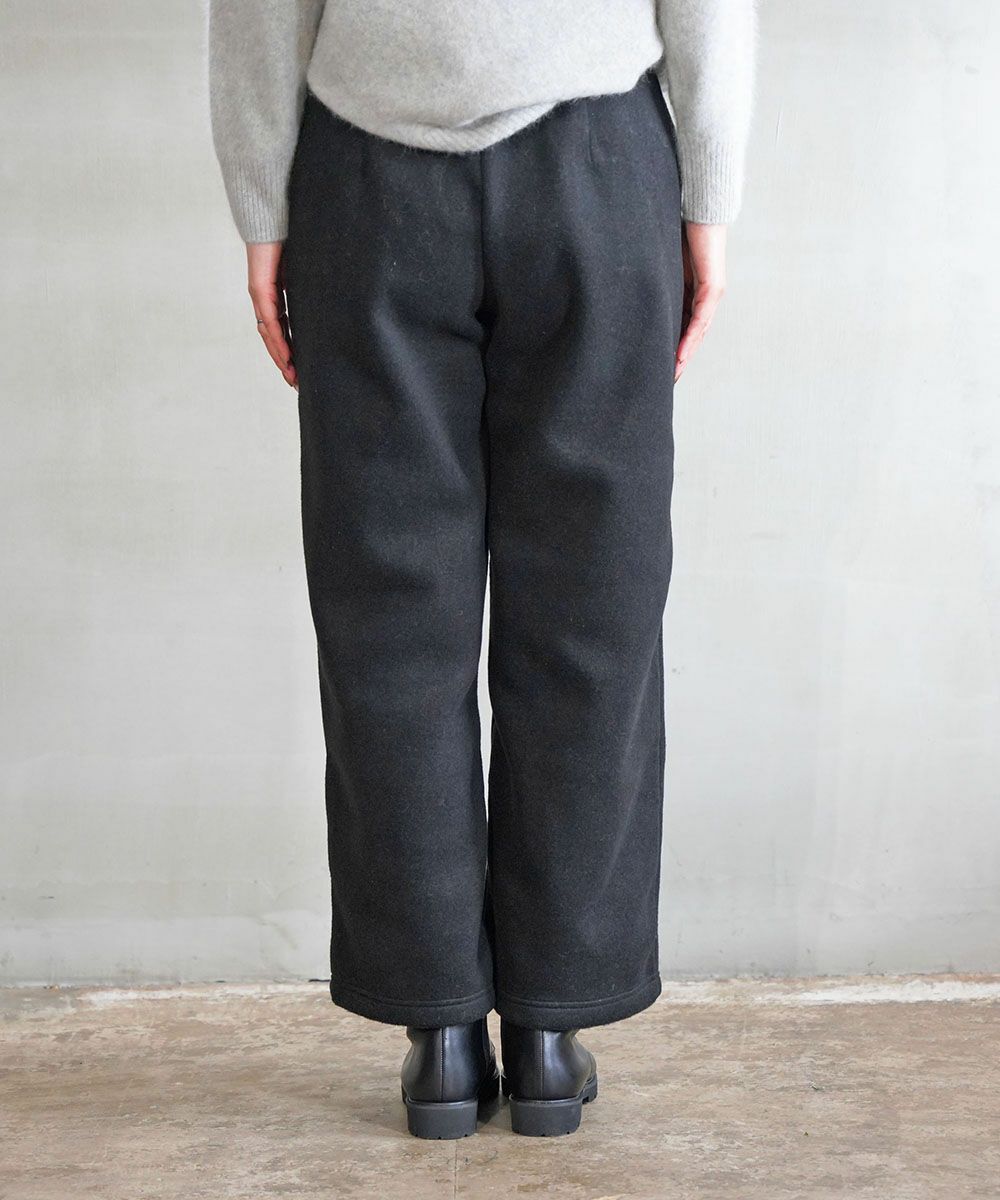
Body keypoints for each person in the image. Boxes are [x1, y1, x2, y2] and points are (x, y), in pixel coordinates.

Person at [208, 0, 756, 1140]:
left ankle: (442, 1035)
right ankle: (551, 1031)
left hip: (368, 175)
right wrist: (709, 193)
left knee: (390, 621)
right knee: (591, 611)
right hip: (596, 165)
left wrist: (263, 207)